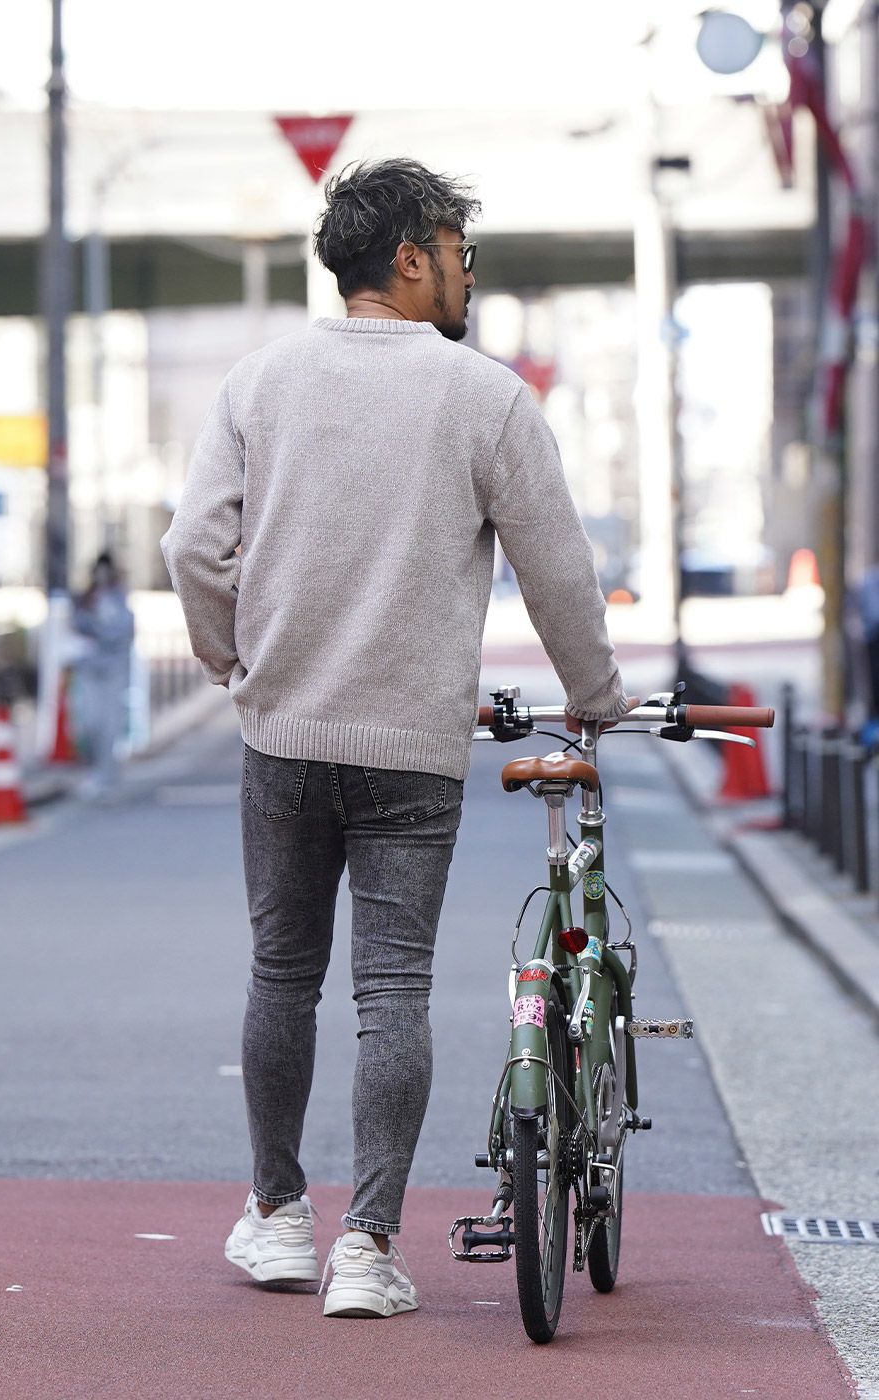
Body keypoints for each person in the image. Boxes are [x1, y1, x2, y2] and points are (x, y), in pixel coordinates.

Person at [160, 158, 627, 1319]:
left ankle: (278, 1215)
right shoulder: (485, 399)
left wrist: (229, 662)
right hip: (413, 746)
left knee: (282, 971)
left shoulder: (260, 383)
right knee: (392, 990)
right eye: (460, 253)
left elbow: (191, 546)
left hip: (283, 733)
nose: (468, 276)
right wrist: (594, 694)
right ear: (412, 258)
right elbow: (555, 567)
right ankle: (367, 1246)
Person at [71, 551, 134, 798]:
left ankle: (107, 774)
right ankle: (96, 769)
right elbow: (77, 626)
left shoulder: (119, 597)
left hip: (113, 670)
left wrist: (98, 631)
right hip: (89, 669)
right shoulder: (86, 598)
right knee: (89, 723)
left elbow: (122, 631)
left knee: (110, 725)